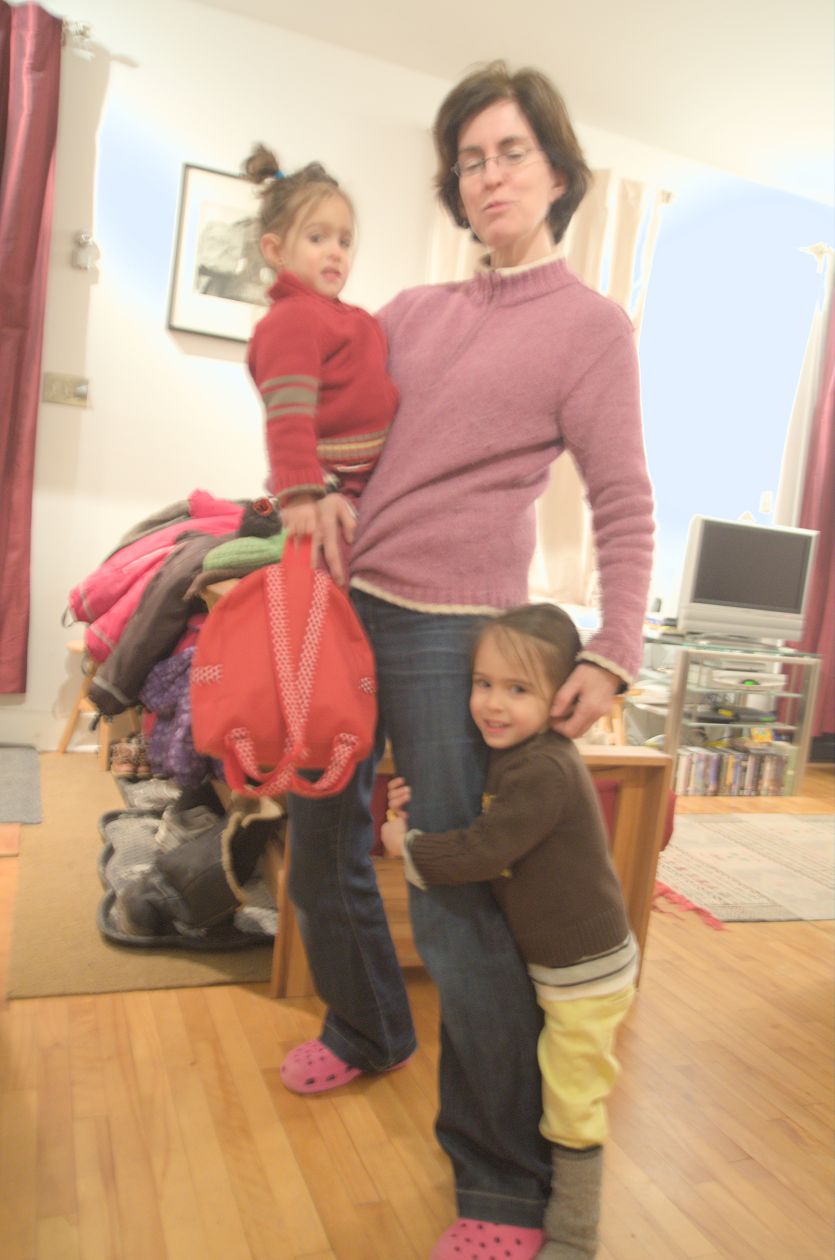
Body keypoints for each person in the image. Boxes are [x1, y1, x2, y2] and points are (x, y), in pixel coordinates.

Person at [280, 61, 655, 1260]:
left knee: (452, 904)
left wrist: (616, 648)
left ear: (556, 170)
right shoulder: (408, 312)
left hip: (457, 636)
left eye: (510, 152)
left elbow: (622, 500)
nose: (488, 175)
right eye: (470, 158)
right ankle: (366, 1027)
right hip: (346, 611)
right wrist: (305, 493)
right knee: (319, 849)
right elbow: (334, 431)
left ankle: (501, 1187)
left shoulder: (591, 330)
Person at [381, 604, 637, 1259]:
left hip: (584, 973)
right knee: (555, 1082)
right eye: (483, 683)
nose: (493, 704)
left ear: (560, 699)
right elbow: (487, 826)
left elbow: (485, 849)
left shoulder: (544, 768)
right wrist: (418, 806)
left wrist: (407, 845)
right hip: (557, 963)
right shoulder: (517, 754)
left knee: (573, 1099)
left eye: (518, 689)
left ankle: (574, 1235)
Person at [242, 144, 399, 583]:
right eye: (318, 238)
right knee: (331, 570)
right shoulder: (291, 319)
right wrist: (300, 496)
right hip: (328, 478)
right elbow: (288, 415)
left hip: (360, 479)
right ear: (276, 250)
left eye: (344, 241)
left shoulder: (346, 317)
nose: (335, 252)